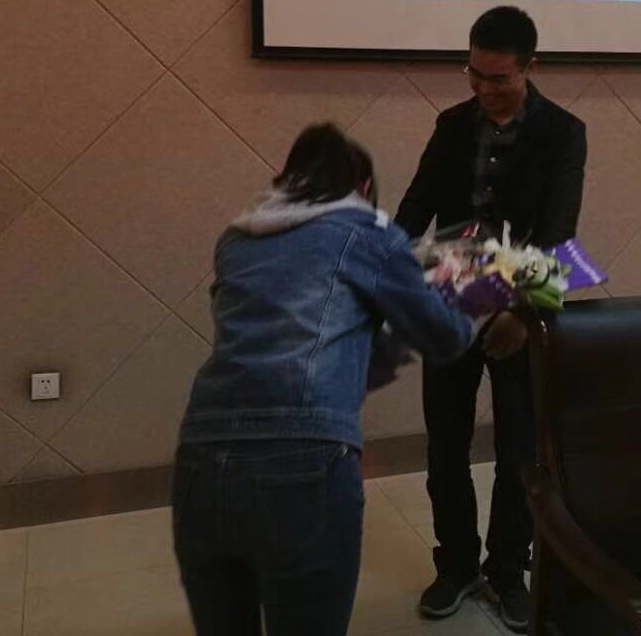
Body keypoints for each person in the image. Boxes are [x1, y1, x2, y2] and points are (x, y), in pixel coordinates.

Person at [174, 124, 476, 636]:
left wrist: (383, 345)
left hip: (201, 457)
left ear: (287, 179)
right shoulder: (367, 232)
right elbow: (444, 339)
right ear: (362, 187)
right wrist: (463, 289)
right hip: (305, 458)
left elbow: (304, 342)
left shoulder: (236, 239)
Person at [396, 6, 587, 632]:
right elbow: (417, 205)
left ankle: (508, 570)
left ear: (530, 67)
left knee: (520, 447)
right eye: (474, 75)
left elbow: (558, 231)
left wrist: (523, 314)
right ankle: (455, 565)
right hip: (450, 303)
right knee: (445, 441)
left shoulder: (563, 133)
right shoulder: (452, 125)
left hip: (519, 308)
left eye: (499, 79)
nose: (484, 89)